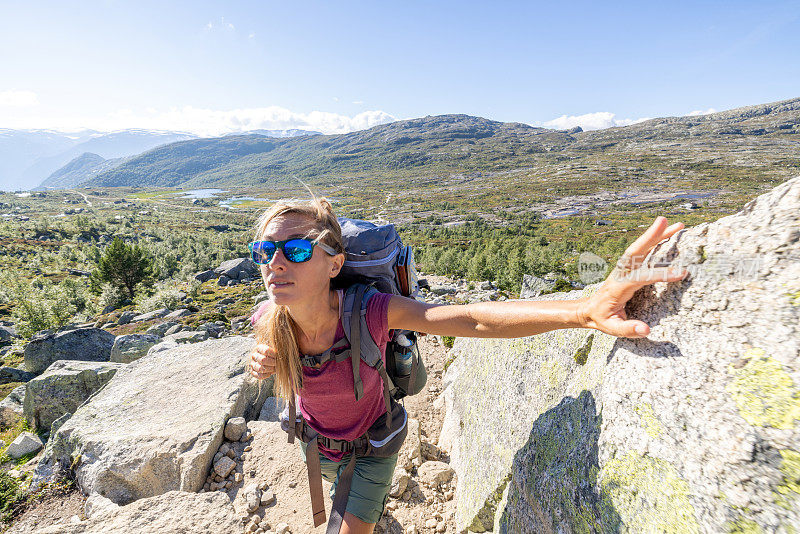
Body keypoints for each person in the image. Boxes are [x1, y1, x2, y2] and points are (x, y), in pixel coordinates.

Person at [248, 197, 686, 534]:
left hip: (372, 447)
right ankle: (363, 505)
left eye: (297, 250)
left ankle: (366, 503)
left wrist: (584, 310)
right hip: (316, 447)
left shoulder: (371, 312)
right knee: (341, 498)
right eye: (264, 250)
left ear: (334, 263)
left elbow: (471, 317)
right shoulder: (268, 320)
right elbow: (275, 357)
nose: (275, 263)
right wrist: (264, 358)